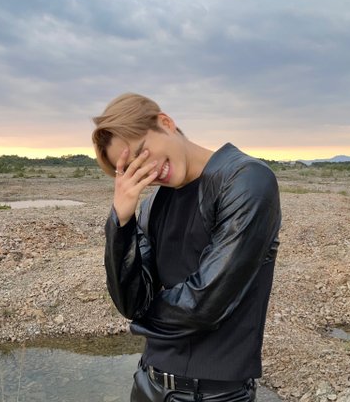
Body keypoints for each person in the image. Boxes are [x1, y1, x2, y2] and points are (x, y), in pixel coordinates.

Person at [92, 93, 281, 402]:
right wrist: (121, 222)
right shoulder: (152, 205)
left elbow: (204, 304)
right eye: (133, 168)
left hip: (214, 394)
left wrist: (140, 320)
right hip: (147, 382)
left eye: (142, 152)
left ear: (165, 123)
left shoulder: (246, 180)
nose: (149, 171)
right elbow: (130, 302)